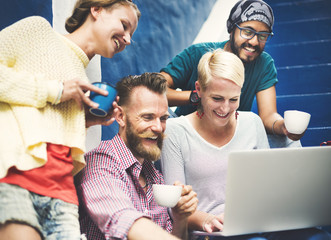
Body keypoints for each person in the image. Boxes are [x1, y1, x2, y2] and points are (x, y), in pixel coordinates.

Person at [0, 0, 140, 239]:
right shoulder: (38, 31)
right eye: (124, 25)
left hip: (62, 191)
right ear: (96, 10)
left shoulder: (79, 77)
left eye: (131, 34)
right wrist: (55, 91)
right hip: (15, 174)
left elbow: (46, 123)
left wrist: (84, 122)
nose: (127, 39)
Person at [160, 49, 330, 240]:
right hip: (210, 232)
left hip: (258, 224)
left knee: (320, 237)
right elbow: (175, 206)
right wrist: (208, 220)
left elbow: (268, 188)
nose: (225, 109)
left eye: (234, 99)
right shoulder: (175, 131)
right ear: (199, 89)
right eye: (217, 98)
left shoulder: (252, 122)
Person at [160, 0, 303, 148]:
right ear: (231, 28)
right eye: (247, 32)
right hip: (189, 136)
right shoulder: (197, 53)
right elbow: (155, 90)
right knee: (159, 120)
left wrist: (282, 126)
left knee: (289, 141)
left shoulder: (264, 63)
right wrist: (197, 96)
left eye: (263, 36)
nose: (254, 42)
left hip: (231, 138)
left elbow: (268, 115)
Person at [76, 72, 198, 240]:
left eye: (163, 118)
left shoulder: (154, 176)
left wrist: (180, 218)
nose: (158, 127)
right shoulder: (99, 162)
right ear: (120, 117)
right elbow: (123, 219)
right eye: (147, 117)